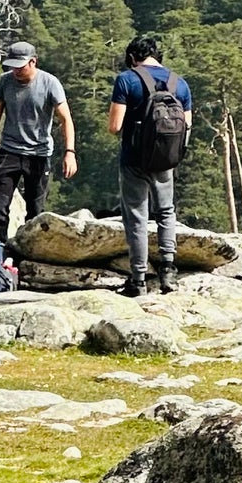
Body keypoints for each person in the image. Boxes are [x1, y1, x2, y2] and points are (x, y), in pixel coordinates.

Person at [107, 33, 193, 299]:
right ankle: (168, 271)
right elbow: (187, 126)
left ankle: (139, 279)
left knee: (137, 217)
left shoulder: (126, 79)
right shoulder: (180, 84)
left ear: (133, 57)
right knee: (166, 212)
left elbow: (115, 127)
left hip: (134, 159)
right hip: (166, 160)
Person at [0, 42, 77, 241]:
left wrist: (70, 152)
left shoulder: (50, 83)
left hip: (38, 154)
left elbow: (66, 119)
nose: (16, 71)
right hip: (9, 151)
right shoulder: (5, 82)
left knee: (35, 211)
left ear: (33, 62)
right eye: (13, 66)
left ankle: (29, 254)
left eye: (20, 66)